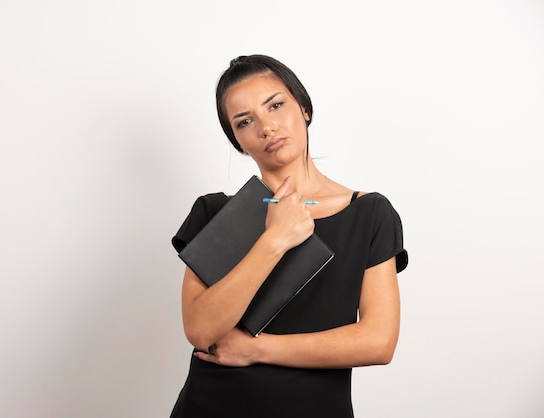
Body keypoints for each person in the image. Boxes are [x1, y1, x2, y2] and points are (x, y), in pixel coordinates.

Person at [169, 54, 408, 418]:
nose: (266, 127)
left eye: (276, 105)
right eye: (245, 121)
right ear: (238, 141)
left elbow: (378, 341)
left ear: (304, 108)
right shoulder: (214, 213)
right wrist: (274, 239)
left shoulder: (369, 214)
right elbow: (201, 330)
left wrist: (257, 349)